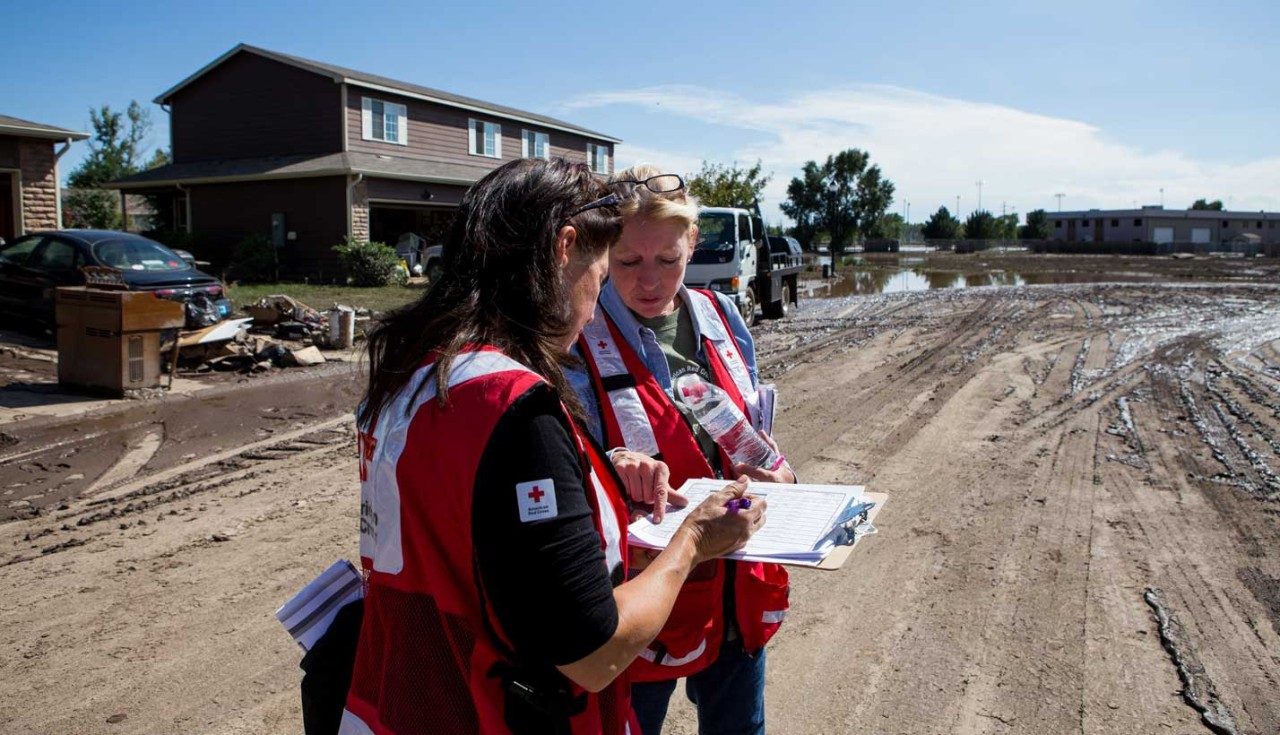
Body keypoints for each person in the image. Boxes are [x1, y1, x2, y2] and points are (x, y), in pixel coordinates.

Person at [342, 158, 767, 735]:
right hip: (497, 710)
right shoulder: (514, 407)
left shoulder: (415, 373)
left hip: (408, 696)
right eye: (606, 268)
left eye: (666, 260)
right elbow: (591, 653)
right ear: (568, 248)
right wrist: (694, 539)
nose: (600, 301)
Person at [567, 164, 797, 735]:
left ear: (692, 244)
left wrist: (775, 473)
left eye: (668, 261)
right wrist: (614, 465)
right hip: (644, 598)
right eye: (627, 262)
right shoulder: (575, 332)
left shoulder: (722, 317)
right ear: (600, 252)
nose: (650, 281)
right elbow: (563, 455)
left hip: (735, 585)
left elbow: (751, 427)